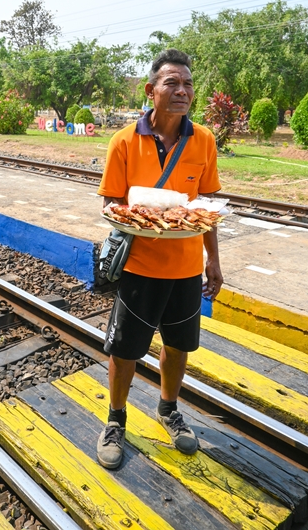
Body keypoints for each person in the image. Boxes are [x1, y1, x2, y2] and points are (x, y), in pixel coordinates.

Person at [96, 48, 223, 469]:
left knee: (179, 345)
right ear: (151, 91)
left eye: (187, 83)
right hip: (139, 267)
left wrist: (214, 262)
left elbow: (207, 208)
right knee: (125, 348)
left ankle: (168, 409)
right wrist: (136, 218)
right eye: (172, 83)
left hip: (186, 267)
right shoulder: (124, 141)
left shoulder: (203, 139)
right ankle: (116, 419)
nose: (182, 90)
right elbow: (112, 200)